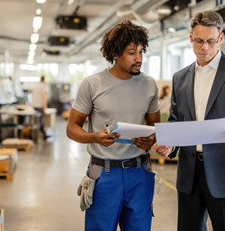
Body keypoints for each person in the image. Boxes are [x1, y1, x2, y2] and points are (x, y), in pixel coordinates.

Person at [152, 10, 225, 231]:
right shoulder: (180, 78)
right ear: (190, 38)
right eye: (198, 41)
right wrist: (170, 143)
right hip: (189, 175)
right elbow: (176, 122)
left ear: (221, 38)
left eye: (211, 41)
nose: (204, 47)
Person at [66, 20, 160, 231]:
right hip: (104, 175)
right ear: (116, 54)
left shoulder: (149, 84)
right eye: (131, 53)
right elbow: (72, 128)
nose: (139, 59)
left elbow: (156, 127)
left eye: (141, 52)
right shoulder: (92, 84)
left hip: (140, 172)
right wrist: (94, 137)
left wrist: (150, 140)